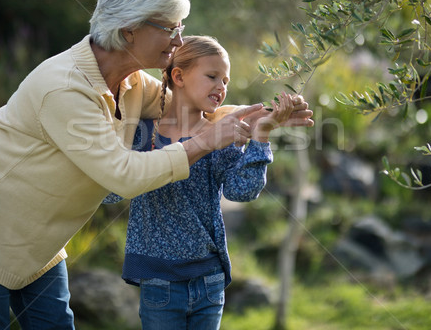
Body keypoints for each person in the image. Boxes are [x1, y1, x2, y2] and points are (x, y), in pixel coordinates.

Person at [0, 0, 294, 330]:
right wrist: (209, 139)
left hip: (40, 232)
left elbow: (184, 106)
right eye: (170, 28)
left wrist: (257, 116)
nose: (179, 41)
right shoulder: (66, 88)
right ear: (130, 29)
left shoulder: (131, 82)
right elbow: (124, 175)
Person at [103, 35, 302, 330]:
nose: (221, 87)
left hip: (209, 280)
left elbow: (241, 191)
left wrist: (261, 135)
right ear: (179, 76)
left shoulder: (222, 133)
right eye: (212, 76)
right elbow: (110, 192)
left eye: (225, 80)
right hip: (159, 281)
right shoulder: (141, 134)